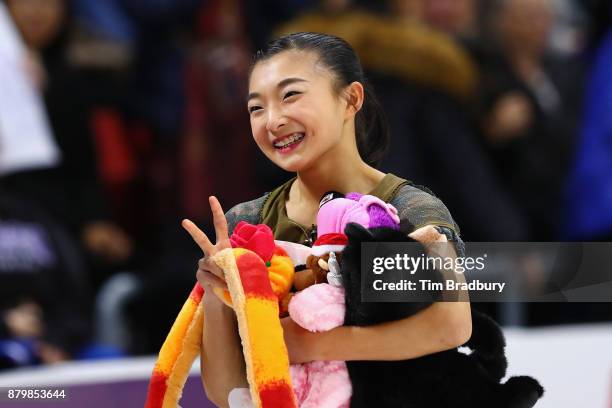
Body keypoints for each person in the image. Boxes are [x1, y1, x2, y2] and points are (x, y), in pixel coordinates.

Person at [181, 32, 472, 407]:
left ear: (350, 99)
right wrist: (218, 296)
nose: (273, 121)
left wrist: (309, 343)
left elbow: (452, 325)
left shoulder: (410, 208)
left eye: (290, 96)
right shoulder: (248, 222)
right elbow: (226, 392)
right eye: (256, 108)